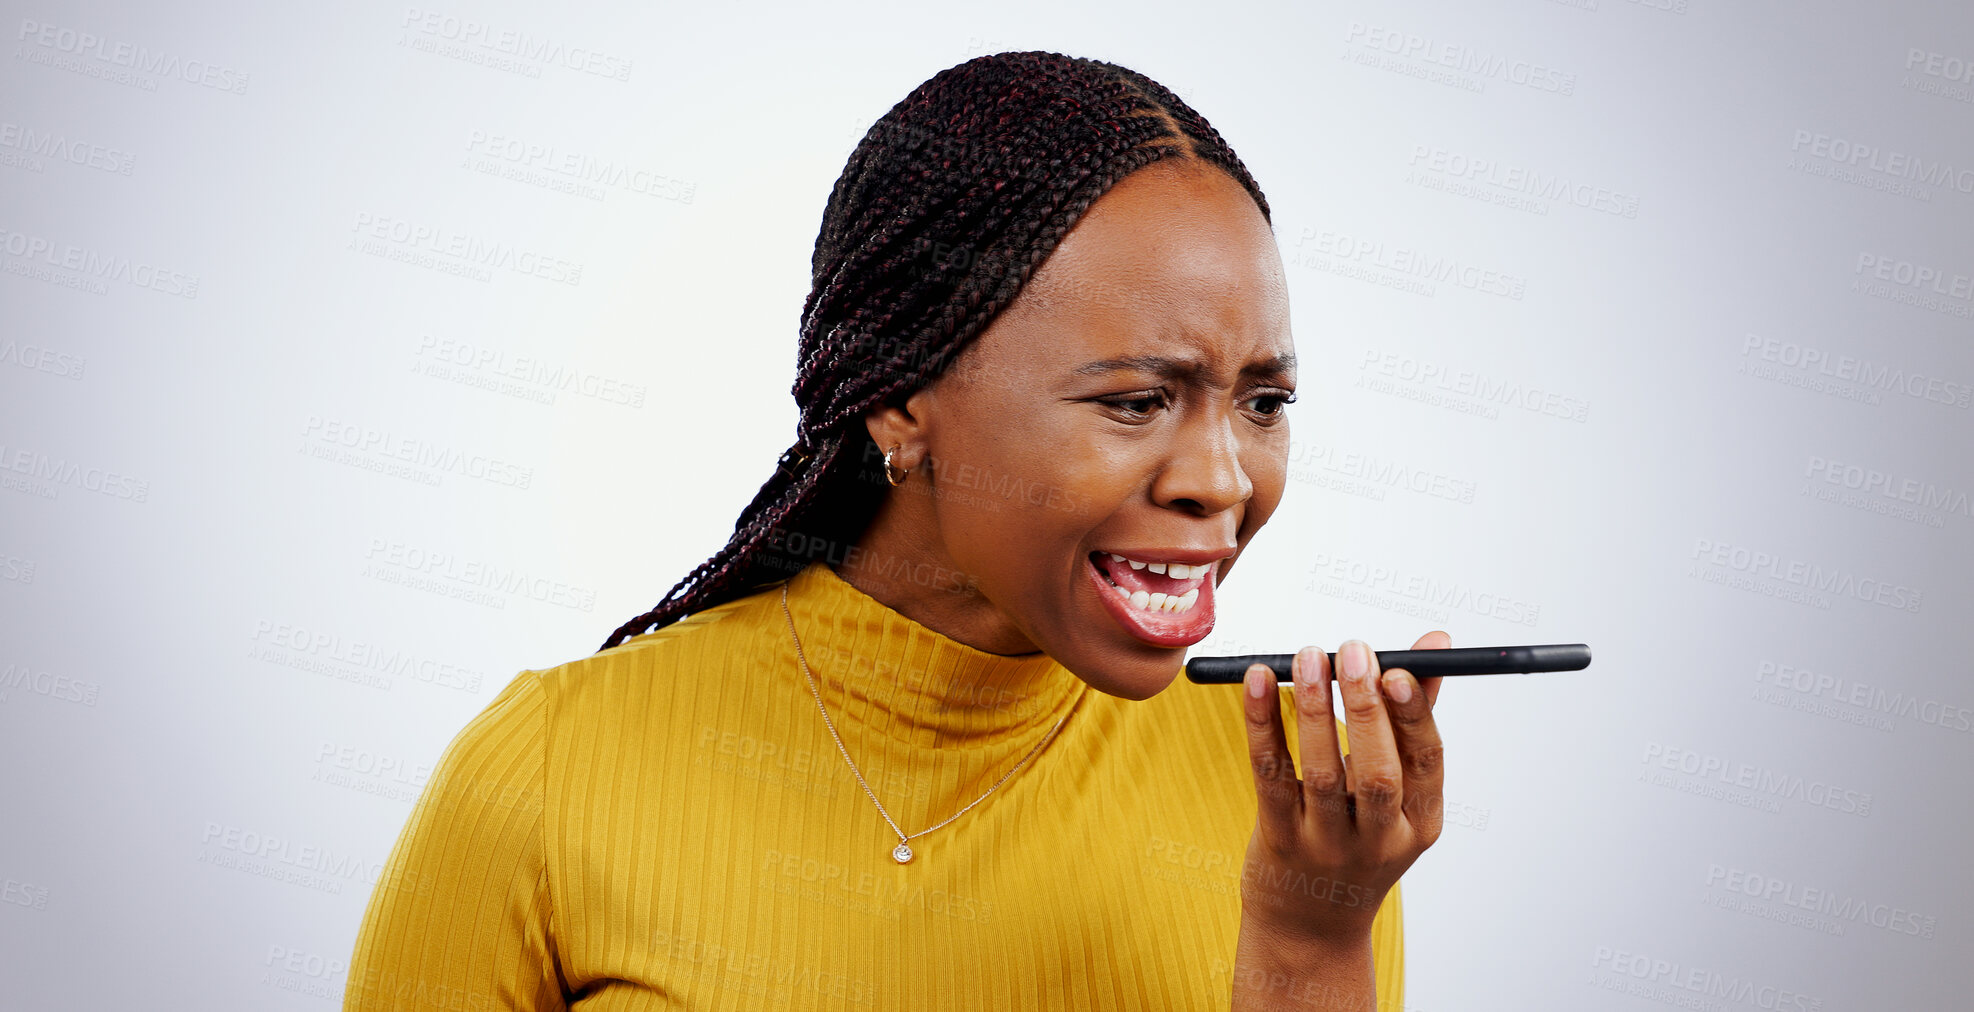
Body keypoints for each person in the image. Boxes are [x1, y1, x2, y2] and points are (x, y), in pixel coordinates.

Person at [343, 50, 1447, 1011]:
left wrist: (1312, 941)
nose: (1223, 480)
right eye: (1134, 400)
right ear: (904, 400)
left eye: (1263, 402)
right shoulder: (548, 774)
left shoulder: (1306, 815)